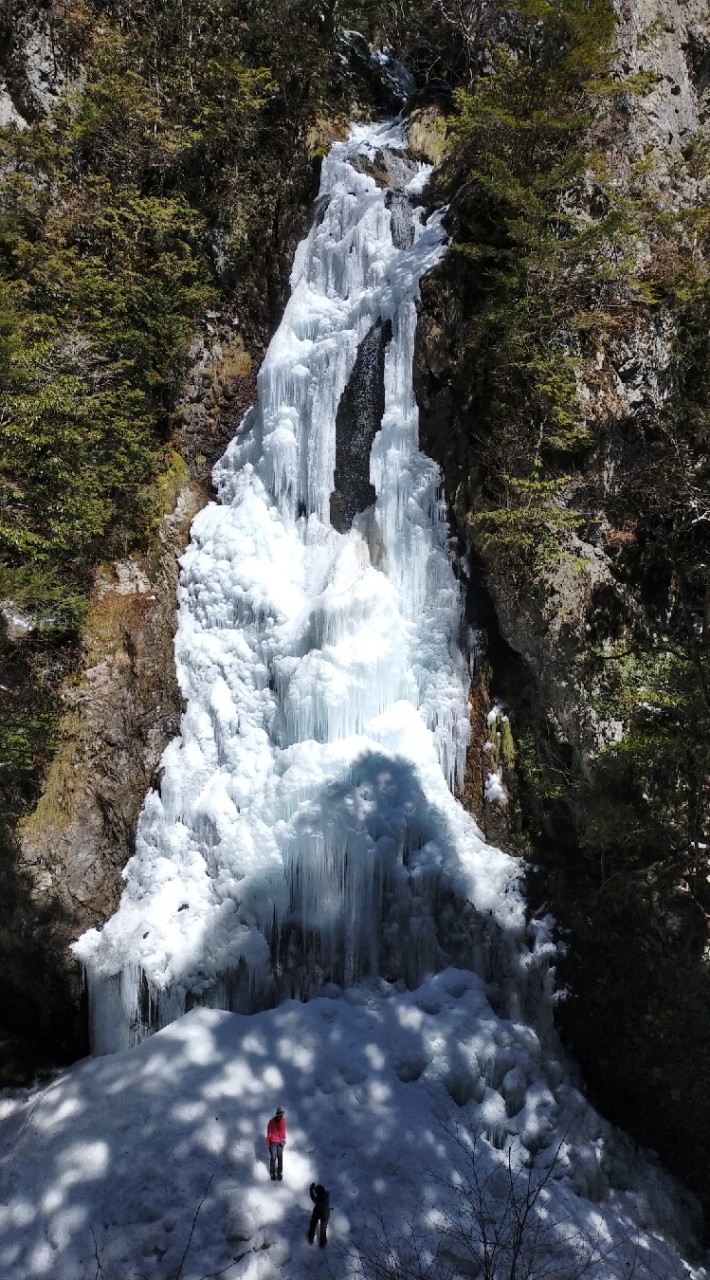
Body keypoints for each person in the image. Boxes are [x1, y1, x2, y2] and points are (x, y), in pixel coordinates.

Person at [266, 1107, 286, 1181]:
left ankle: (279, 1172)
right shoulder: (271, 1122)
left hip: (280, 1142)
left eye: (282, 1115)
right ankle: (272, 1172)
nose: (281, 1116)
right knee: (273, 1158)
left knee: (280, 1158)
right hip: (273, 1142)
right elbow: (268, 1133)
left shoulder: (283, 1120)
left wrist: (284, 1139)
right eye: (280, 1115)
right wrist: (268, 1143)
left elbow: (284, 1131)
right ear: (277, 1115)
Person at [308, 1182, 330, 1248]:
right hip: (326, 1213)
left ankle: (310, 1239)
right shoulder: (327, 1194)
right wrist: (315, 1188)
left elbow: (313, 1197)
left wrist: (311, 1189)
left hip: (318, 1212)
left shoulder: (318, 1200)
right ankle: (323, 1243)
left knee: (313, 1224)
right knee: (323, 1228)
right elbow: (321, 1191)